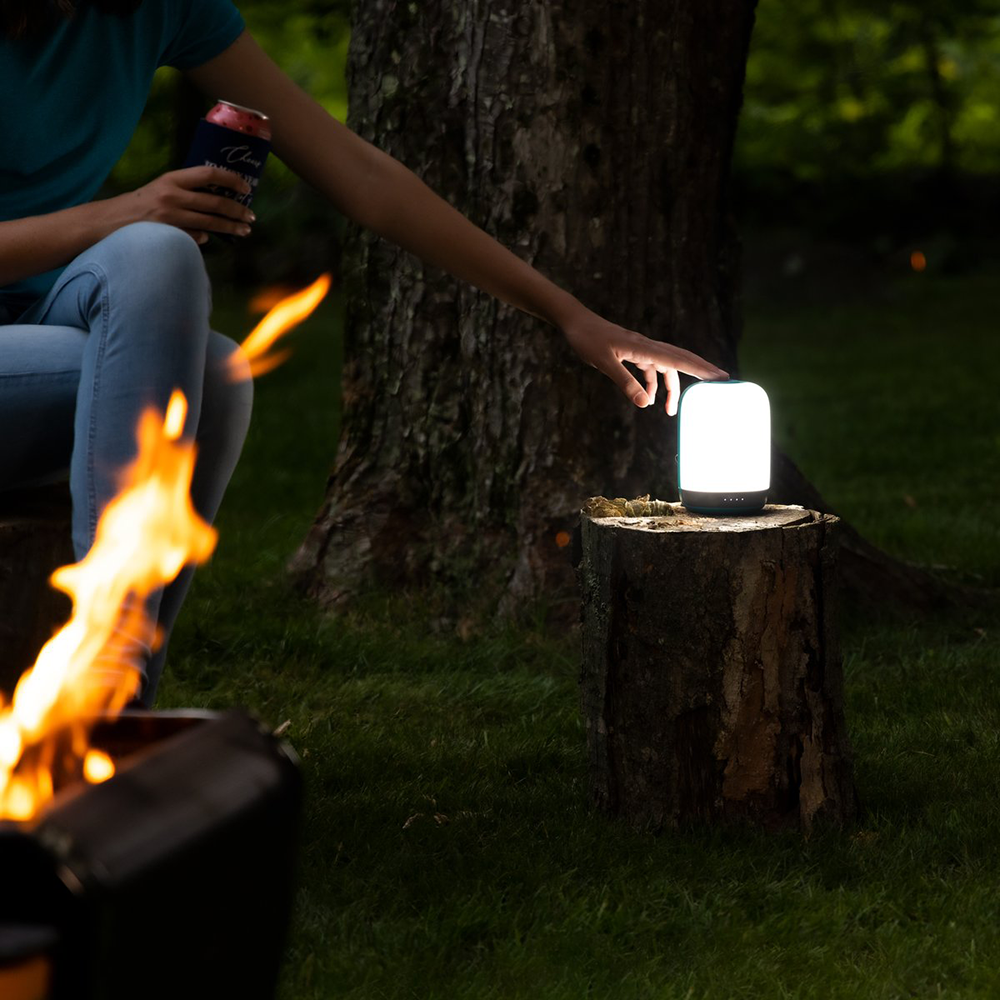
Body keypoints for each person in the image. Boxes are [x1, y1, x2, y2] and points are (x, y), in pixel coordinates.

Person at [0, 0, 728, 706]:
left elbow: (365, 180)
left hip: (38, 331)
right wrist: (123, 210)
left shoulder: (159, 9)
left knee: (198, 338)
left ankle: (112, 695)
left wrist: (569, 315)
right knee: (150, 241)